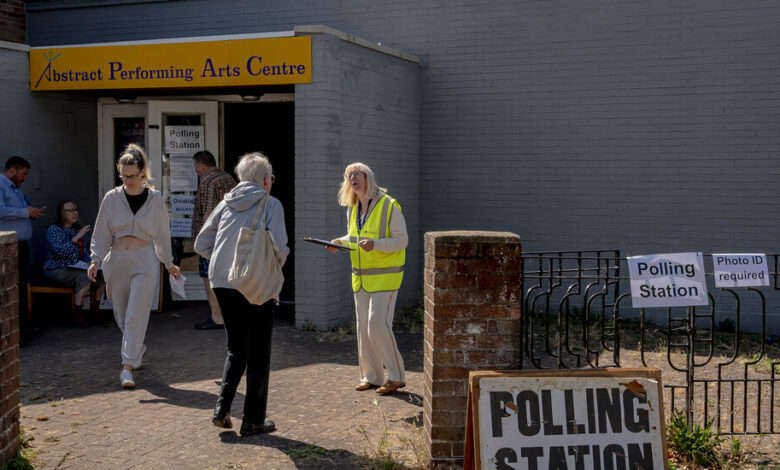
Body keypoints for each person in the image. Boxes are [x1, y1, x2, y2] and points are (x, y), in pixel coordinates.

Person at [194, 152, 288, 436]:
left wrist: (222, 263)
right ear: (264, 179)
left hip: (221, 281)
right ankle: (253, 420)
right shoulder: (271, 203)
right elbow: (280, 247)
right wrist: (266, 267)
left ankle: (222, 410)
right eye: (270, 178)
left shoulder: (226, 203)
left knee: (236, 348)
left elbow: (201, 242)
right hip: (254, 283)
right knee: (259, 351)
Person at [87, 144, 181, 389]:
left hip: (144, 260)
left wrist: (169, 263)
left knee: (135, 314)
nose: (128, 180)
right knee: (120, 314)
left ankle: (127, 368)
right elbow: (101, 233)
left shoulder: (155, 199)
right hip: (116, 261)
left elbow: (162, 234)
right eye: (123, 176)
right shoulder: (112, 198)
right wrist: (95, 259)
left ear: (143, 173)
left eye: (132, 175)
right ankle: (137, 347)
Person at [328, 163, 408, 395]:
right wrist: (340, 243)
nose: (352, 177)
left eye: (356, 173)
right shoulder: (352, 207)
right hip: (361, 278)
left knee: (377, 324)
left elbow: (402, 240)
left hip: (386, 278)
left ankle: (396, 376)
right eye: (348, 175)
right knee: (364, 328)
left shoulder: (389, 205)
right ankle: (371, 376)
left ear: (368, 177)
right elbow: (355, 236)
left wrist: (376, 245)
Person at [191, 150, 236, 330]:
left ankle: (217, 317)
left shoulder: (207, 182)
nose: (196, 171)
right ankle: (229, 314)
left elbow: (207, 214)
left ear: (201, 166)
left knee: (208, 278)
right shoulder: (228, 178)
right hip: (229, 235)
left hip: (212, 240)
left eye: (196, 167)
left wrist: (202, 240)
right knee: (227, 278)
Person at [43, 199, 105, 326]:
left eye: (76, 210)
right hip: (56, 268)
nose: (75, 213)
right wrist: (76, 238)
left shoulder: (76, 230)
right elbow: (59, 252)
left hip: (76, 267)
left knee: (102, 275)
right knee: (83, 277)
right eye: (70, 211)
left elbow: (84, 253)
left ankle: (95, 310)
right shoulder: (54, 230)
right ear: (62, 213)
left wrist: (91, 263)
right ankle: (77, 315)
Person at [0, 156, 46, 324]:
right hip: (8, 246)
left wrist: (32, 213)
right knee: (10, 285)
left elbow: (17, 213)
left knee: (19, 283)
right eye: (23, 174)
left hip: (22, 245)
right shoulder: (1, 186)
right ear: (12, 170)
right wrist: (26, 213)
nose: (25, 178)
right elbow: (1, 211)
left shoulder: (17, 189)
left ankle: (19, 326)